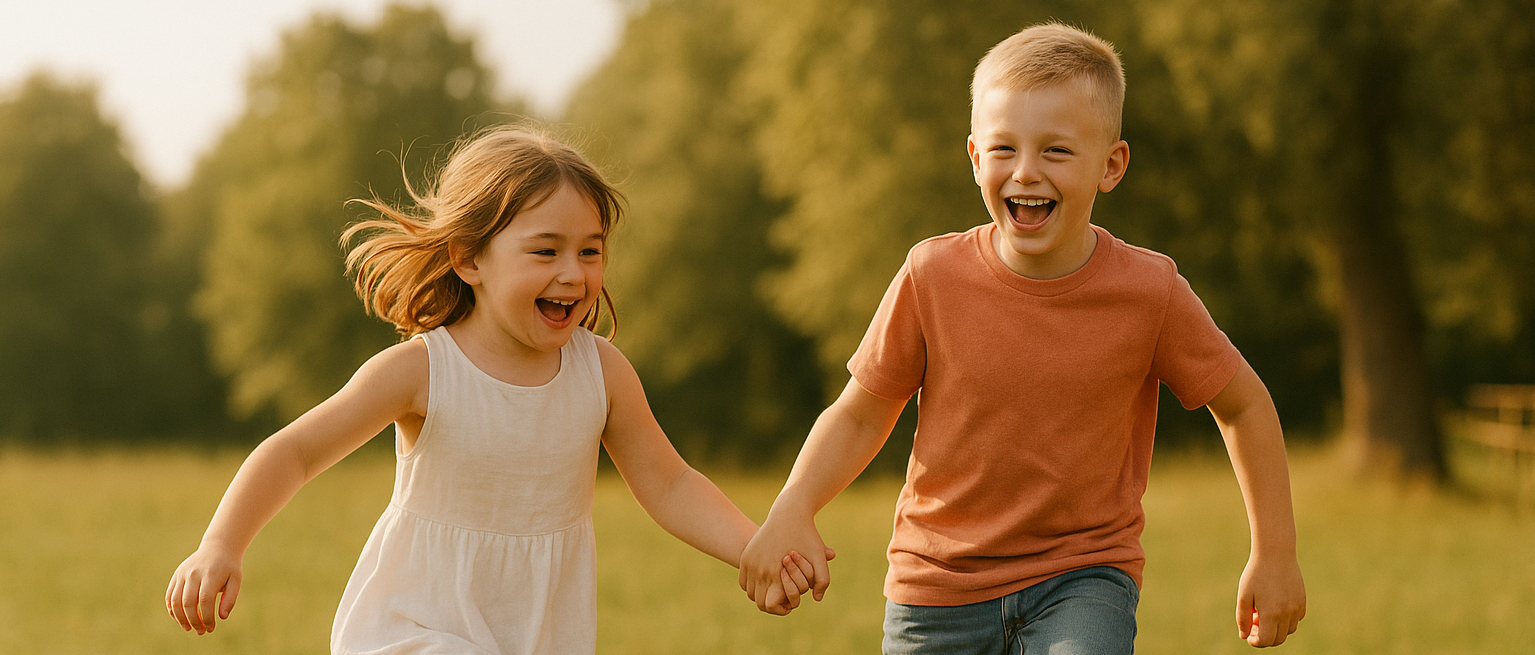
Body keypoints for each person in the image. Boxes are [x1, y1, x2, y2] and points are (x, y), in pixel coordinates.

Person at [738, 22, 1306, 653]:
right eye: (1004, 150)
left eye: (1057, 152)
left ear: (1111, 165)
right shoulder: (931, 276)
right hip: (938, 589)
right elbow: (861, 415)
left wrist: (1274, 552)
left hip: (1084, 578)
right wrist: (794, 506)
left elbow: (1245, 406)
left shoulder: (1151, 292)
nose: (1026, 173)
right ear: (977, 157)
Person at [165, 126, 820, 654]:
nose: (574, 271)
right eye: (546, 251)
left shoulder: (603, 373)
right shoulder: (424, 370)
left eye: (590, 251)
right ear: (469, 258)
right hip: (412, 630)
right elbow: (296, 451)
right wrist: (221, 544)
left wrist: (754, 544)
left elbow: (671, 484)